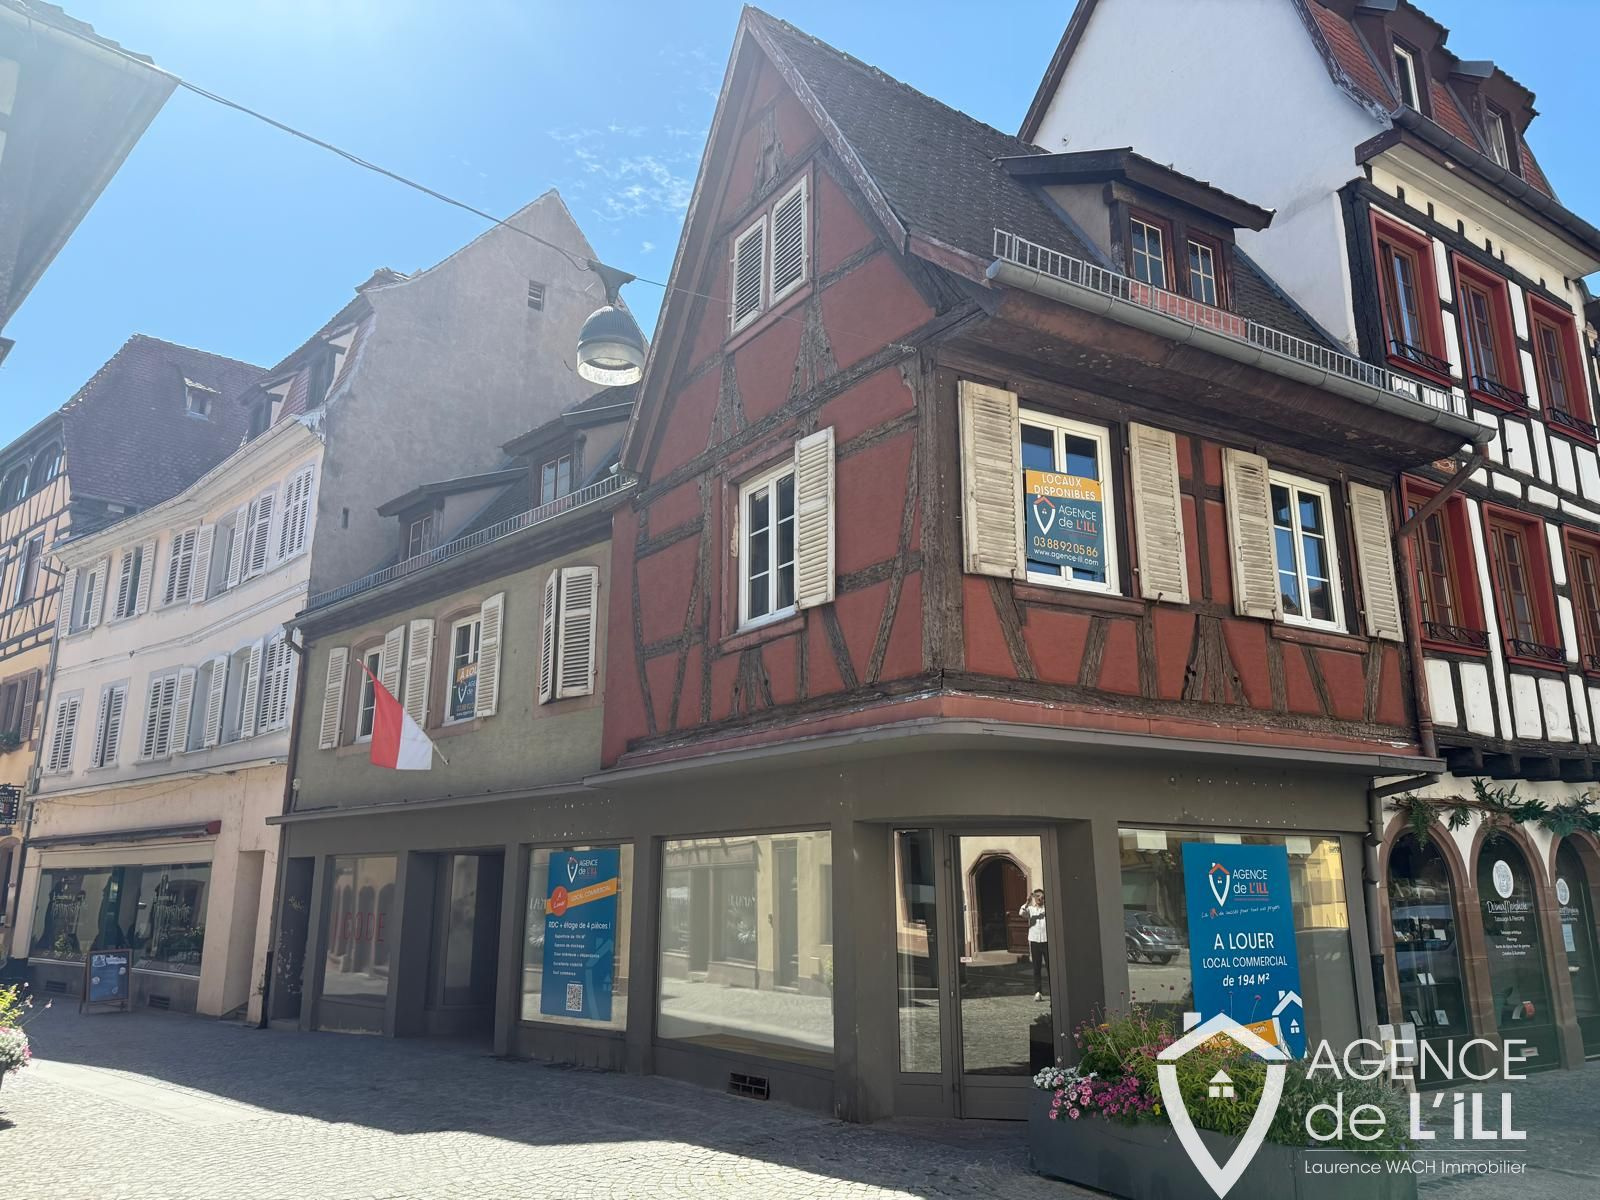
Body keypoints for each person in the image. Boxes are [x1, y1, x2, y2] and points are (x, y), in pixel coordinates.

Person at [1020, 888, 1048, 1000]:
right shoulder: (1030, 909)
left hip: (1046, 940)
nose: (1039, 899)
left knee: (1050, 967)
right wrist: (1027, 902)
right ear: (1034, 898)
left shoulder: (1047, 909)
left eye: (1041, 897)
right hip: (1035, 941)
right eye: (1037, 897)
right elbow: (1021, 913)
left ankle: (1054, 990)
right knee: (1036, 967)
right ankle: (1038, 992)